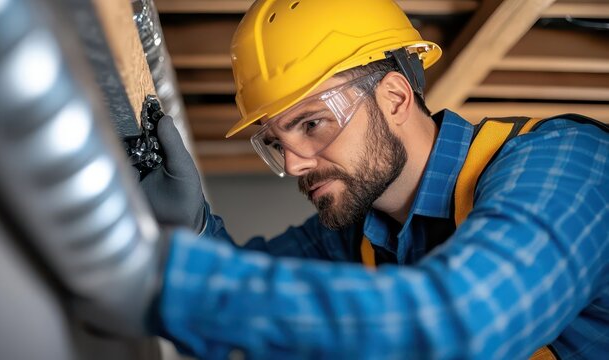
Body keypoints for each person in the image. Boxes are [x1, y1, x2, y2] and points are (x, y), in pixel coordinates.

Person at [140, 0, 609, 358]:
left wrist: (171, 284)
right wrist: (193, 226)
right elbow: (237, 311)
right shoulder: (357, 235)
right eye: (276, 143)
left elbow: (468, 321)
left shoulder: (570, 164)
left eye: (311, 124)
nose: (295, 165)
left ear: (396, 98)